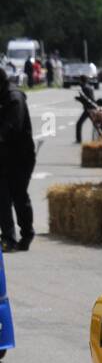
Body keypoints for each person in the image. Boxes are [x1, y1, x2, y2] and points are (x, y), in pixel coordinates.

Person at [0, 68, 36, 251]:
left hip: (19, 157)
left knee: (19, 196)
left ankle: (27, 233)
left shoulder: (14, 99)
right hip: (4, 156)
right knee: (2, 197)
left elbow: (10, 128)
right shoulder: (3, 96)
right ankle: (8, 237)